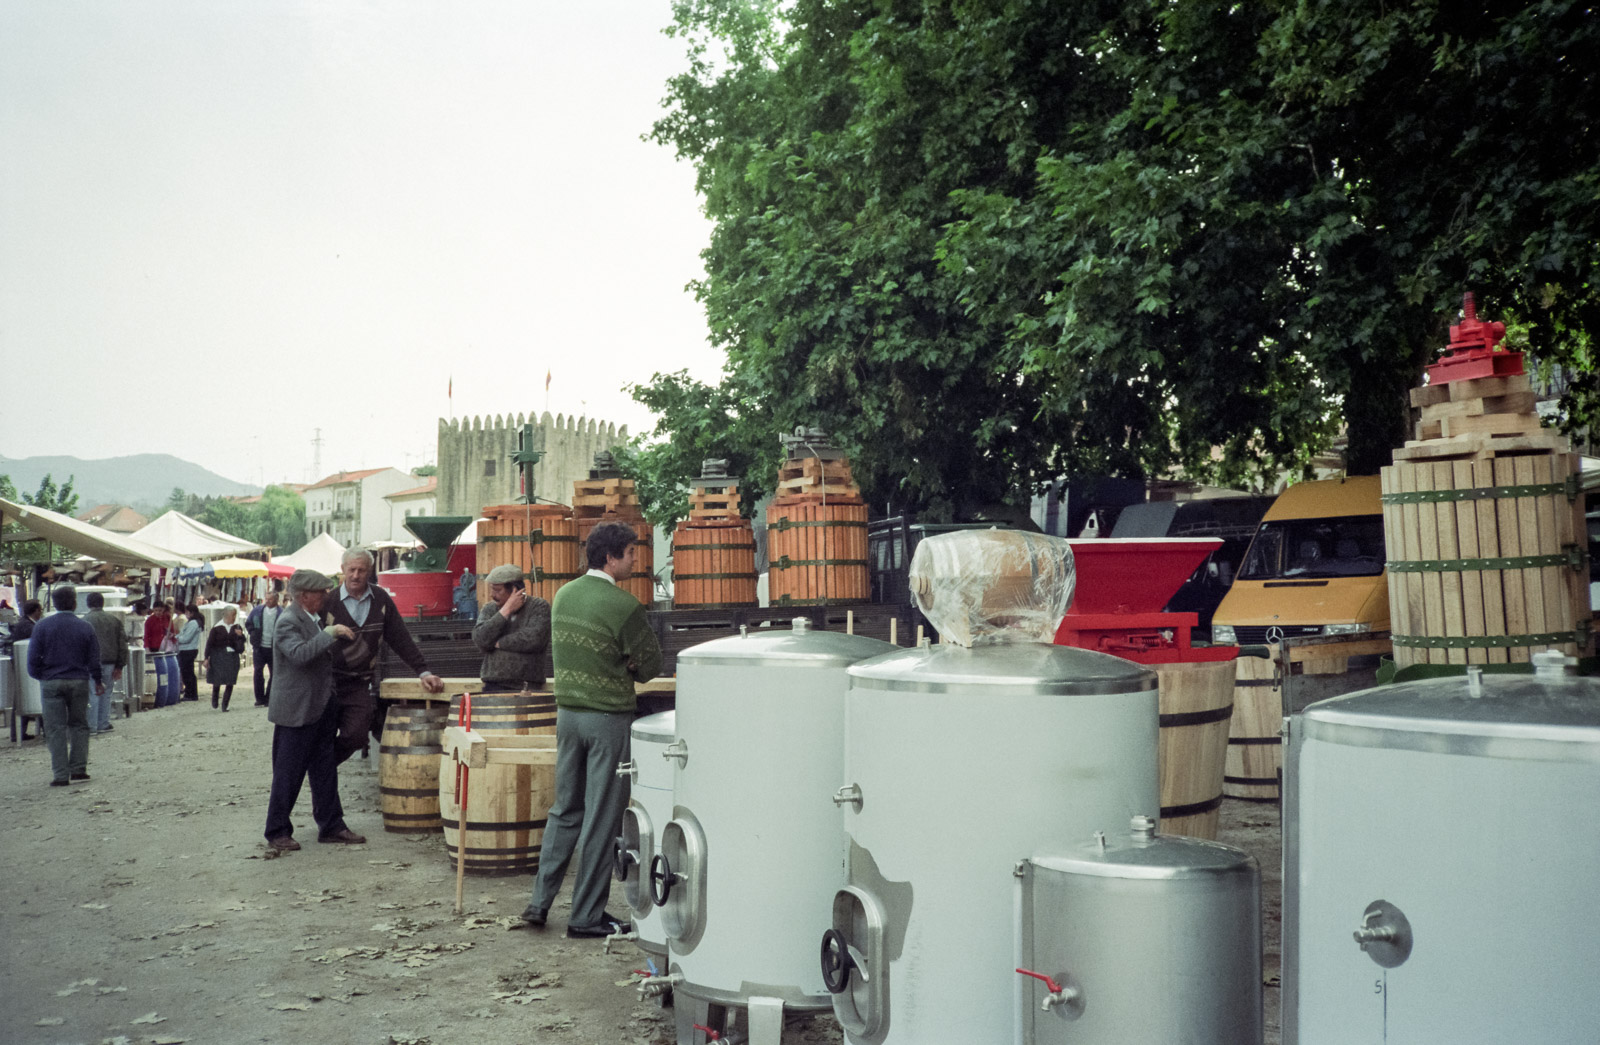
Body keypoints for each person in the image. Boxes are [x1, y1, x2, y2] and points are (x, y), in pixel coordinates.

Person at [522, 521, 662, 937]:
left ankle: (539, 903)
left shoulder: (563, 595)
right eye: (631, 553)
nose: (636, 560)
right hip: (608, 719)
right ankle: (585, 917)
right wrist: (627, 663)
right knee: (602, 818)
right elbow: (650, 668)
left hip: (567, 716)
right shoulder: (624, 606)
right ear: (611, 557)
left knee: (564, 810)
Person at [263, 569, 366, 851]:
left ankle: (332, 825)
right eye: (321, 592)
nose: (326, 596)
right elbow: (299, 655)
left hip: (319, 708)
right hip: (297, 712)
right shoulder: (288, 621)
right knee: (288, 773)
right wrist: (330, 634)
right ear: (305, 596)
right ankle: (277, 831)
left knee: (324, 770)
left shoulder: (311, 618)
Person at [323, 549, 443, 763]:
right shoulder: (328, 602)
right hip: (328, 682)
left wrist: (423, 672)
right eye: (351, 570)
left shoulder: (381, 599)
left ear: (370, 571)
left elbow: (401, 639)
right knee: (323, 737)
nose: (356, 575)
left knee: (357, 735)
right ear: (342, 570)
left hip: (359, 683)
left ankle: (323, 764)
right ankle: (323, 778)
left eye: (361, 570)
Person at [25, 586, 103, 786]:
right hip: (79, 680)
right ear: (75, 603)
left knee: (55, 728)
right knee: (79, 725)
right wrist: (98, 679)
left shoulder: (42, 626)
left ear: (54, 603)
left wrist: (41, 676)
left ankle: (60, 774)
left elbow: (32, 658)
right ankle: (78, 769)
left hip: (51, 681)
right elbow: (94, 658)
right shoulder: (85, 627)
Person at [472, 564, 551, 692]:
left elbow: (533, 639)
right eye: (492, 589)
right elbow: (480, 638)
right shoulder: (489, 609)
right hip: (493, 684)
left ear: (515, 589)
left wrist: (498, 643)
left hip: (526, 686)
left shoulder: (538, 606)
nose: (492, 595)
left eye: (497, 590)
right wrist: (506, 610)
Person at [83, 592, 128, 733]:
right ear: (103, 603)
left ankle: (92, 725)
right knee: (107, 692)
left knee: (93, 692)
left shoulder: (84, 620)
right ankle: (103, 723)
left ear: (88, 604)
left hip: (91, 662)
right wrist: (120, 665)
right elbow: (123, 644)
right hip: (111, 662)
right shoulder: (114, 621)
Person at [9, 600, 46, 737]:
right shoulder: (28, 627)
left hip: (22, 664)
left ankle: (19, 732)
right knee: (27, 697)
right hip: (26, 666)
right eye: (40, 610)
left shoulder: (24, 624)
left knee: (22, 698)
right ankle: (19, 732)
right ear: (35, 611)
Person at [204, 607, 247, 710]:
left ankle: (225, 704)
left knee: (230, 680)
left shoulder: (236, 627)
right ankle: (215, 698)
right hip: (218, 655)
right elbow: (209, 643)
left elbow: (243, 640)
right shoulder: (217, 627)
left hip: (232, 655)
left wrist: (241, 636)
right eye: (233, 615)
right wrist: (206, 658)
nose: (234, 617)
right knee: (217, 679)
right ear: (228, 615)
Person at [246, 593, 280, 707]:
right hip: (259, 647)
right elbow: (248, 623)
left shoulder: (282, 613)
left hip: (274, 648)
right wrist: (253, 633)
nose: (268, 601)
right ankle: (259, 698)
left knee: (274, 674)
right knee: (258, 673)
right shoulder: (257, 610)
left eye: (270, 599)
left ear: (276, 600)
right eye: (267, 599)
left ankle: (269, 697)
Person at [176, 603, 203, 701]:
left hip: (188, 649)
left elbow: (186, 638)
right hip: (187, 649)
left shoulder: (193, 623)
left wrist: (177, 638)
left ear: (191, 613)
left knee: (188, 673)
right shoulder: (191, 622)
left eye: (187, 612)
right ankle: (190, 693)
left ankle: (191, 693)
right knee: (188, 672)